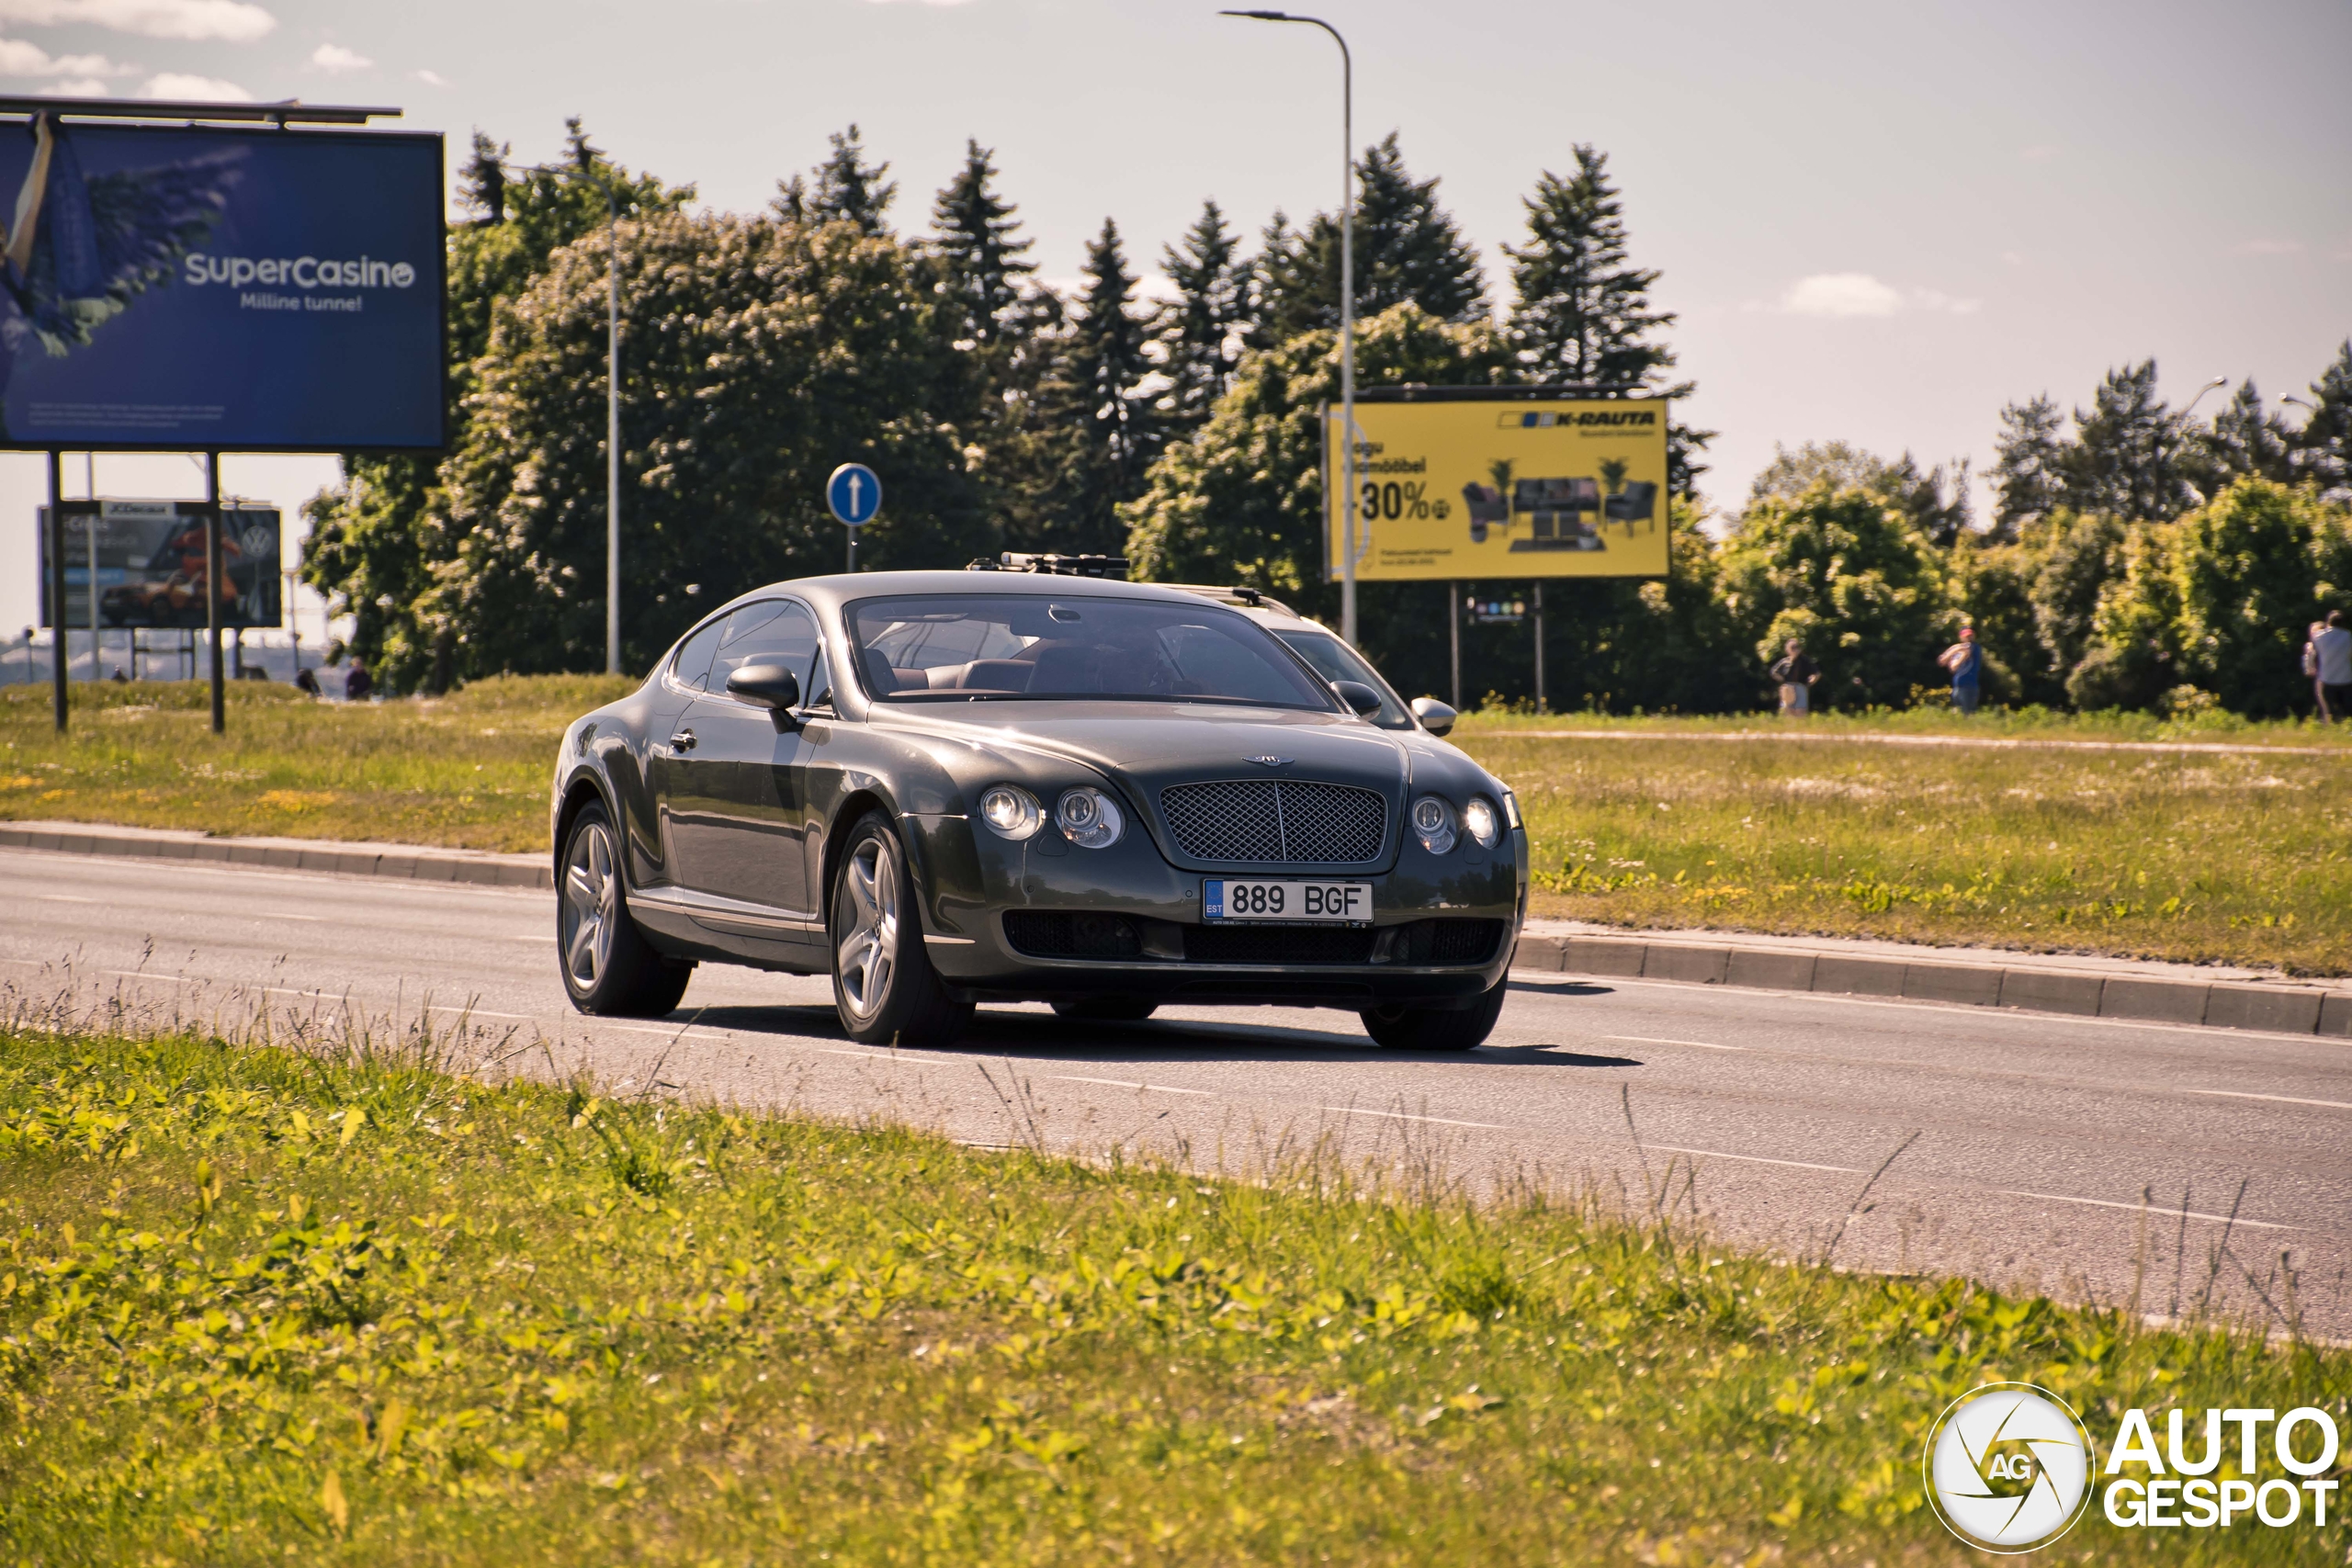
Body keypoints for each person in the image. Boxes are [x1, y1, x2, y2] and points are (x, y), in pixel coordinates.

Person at [2312, 610, 2352, 724]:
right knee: (2348, 710)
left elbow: (2313, 654)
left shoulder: (2319, 636)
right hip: (2346, 678)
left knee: (2332, 712)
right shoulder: (2347, 635)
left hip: (2327, 678)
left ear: (2328, 622)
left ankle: (2334, 728)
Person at [1939, 626, 1984, 715]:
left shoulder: (1975, 647)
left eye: (1971, 635)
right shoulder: (1959, 651)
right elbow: (1951, 666)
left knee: (1968, 714)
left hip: (1969, 686)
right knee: (1957, 713)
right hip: (1958, 687)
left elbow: (1965, 649)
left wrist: (1948, 655)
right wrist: (1951, 657)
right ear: (1961, 637)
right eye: (1967, 636)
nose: (1969, 638)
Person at [1770, 638, 1819, 717]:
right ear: (1787, 649)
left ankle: (1800, 728)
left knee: (1801, 711)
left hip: (1801, 687)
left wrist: (1811, 682)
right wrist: (1782, 679)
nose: (1795, 650)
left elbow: (1816, 673)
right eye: (1792, 648)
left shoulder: (1805, 660)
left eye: (1796, 647)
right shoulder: (1785, 661)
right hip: (1788, 688)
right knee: (1787, 710)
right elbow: (1773, 672)